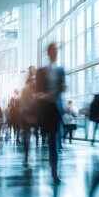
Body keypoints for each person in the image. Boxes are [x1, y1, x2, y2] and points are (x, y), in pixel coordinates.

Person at [35, 43, 66, 183]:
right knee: (51, 139)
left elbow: (62, 88)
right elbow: (37, 93)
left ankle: (54, 170)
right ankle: (53, 165)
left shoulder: (61, 70)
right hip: (47, 109)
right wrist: (44, 96)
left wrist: (63, 88)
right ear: (48, 53)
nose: (55, 53)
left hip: (56, 109)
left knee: (55, 140)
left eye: (56, 51)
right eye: (53, 51)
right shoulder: (41, 71)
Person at [20, 66, 38, 164]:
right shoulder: (27, 88)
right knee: (27, 135)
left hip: (30, 113)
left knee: (27, 135)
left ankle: (26, 155)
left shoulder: (33, 85)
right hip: (28, 113)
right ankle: (26, 155)